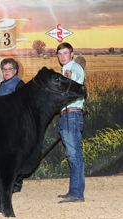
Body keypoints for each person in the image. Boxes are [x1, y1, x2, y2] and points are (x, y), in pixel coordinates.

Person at [56, 42, 86, 203]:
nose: (62, 56)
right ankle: (74, 191)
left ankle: (77, 194)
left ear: (72, 54)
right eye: (60, 54)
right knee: (73, 156)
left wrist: (68, 75)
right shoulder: (64, 69)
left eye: (65, 53)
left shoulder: (74, 68)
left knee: (75, 156)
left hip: (72, 116)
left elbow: (77, 77)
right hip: (68, 116)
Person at [0, 58, 25, 193]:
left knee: (13, 155)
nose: (6, 72)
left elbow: (23, 106)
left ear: (15, 70)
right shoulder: (2, 85)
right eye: (4, 69)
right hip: (1, 126)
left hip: (13, 126)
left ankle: (16, 183)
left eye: (9, 69)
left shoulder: (19, 84)